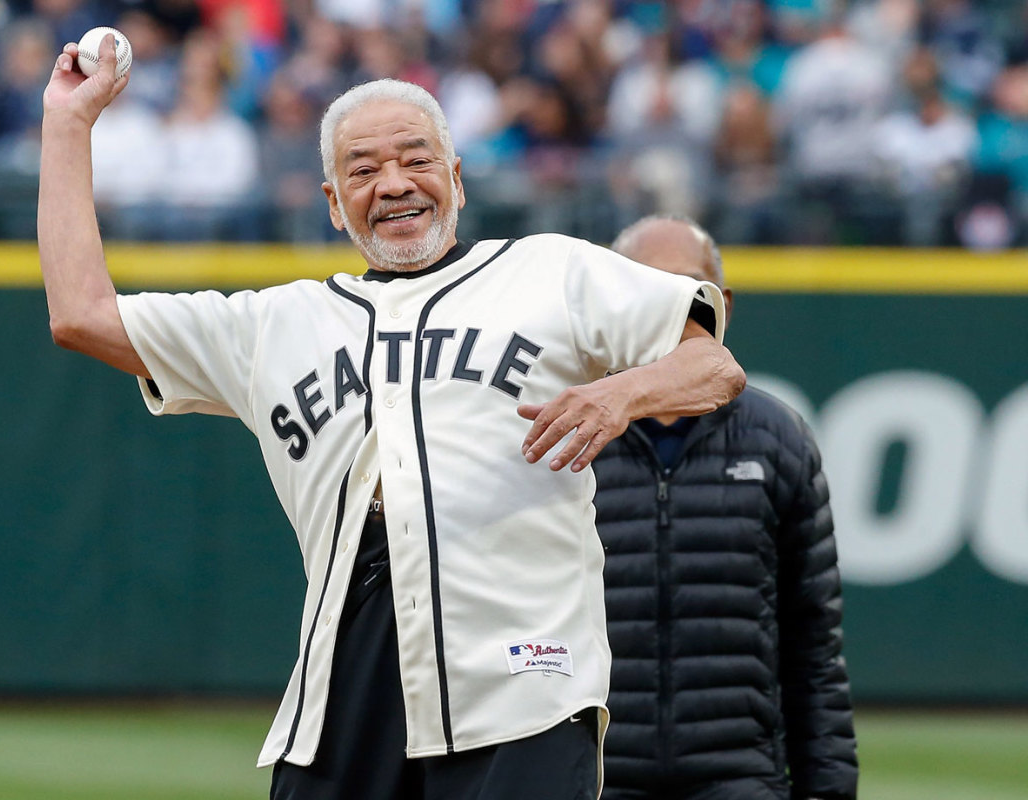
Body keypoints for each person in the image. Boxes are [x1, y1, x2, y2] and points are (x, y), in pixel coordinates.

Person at [38, 35, 745, 800]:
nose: (396, 183)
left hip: (524, 685)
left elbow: (713, 367)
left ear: (458, 179)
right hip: (342, 693)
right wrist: (68, 125)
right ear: (333, 202)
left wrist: (619, 395)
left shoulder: (552, 271)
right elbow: (81, 315)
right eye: (364, 170)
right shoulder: (274, 323)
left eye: (416, 158)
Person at [594, 215, 858, 800]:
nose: (666, 307)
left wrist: (828, 789)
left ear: (724, 305)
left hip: (740, 780)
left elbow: (813, 644)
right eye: (643, 286)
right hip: (594, 779)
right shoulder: (565, 434)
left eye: (688, 288)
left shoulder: (777, 438)